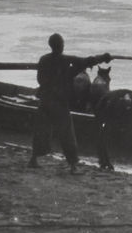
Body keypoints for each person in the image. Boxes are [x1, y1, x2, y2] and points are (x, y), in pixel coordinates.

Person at [28, 33, 112, 173]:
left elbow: (40, 80)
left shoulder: (43, 59)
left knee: (41, 130)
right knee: (67, 133)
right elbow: (85, 61)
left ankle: (33, 160)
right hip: (59, 102)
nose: (63, 46)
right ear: (60, 46)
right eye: (62, 44)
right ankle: (73, 166)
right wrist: (103, 58)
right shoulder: (65, 59)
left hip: (45, 100)